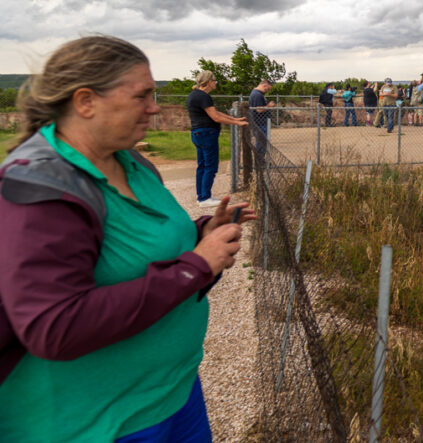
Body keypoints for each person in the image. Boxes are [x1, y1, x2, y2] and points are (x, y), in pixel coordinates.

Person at [0, 35, 256, 442]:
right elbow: (54, 327)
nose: (155, 107)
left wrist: (201, 235)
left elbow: (138, 251)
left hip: (174, 393)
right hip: (98, 421)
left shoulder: (130, 160)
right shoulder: (41, 188)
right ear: (86, 102)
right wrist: (195, 266)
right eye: (142, 96)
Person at [188, 70, 248, 205]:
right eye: (215, 81)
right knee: (210, 166)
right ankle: (205, 198)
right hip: (206, 134)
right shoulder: (203, 96)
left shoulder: (195, 95)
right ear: (209, 81)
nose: (216, 83)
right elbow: (215, 117)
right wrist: (237, 124)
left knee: (202, 166)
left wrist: (234, 119)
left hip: (198, 133)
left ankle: (201, 196)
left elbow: (216, 112)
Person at [248, 79, 276, 158]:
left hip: (260, 123)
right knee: (261, 143)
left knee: (262, 143)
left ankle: (260, 160)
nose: (268, 91)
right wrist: (269, 106)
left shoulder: (257, 94)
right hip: (260, 123)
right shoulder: (257, 95)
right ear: (264, 85)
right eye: (268, 89)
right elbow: (259, 109)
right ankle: (259, 161)